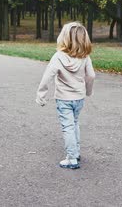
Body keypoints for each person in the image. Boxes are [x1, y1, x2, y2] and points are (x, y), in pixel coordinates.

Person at [36, 22, 95, 169]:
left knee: (67, 127)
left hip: (64, 99)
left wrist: (41, 94)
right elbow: (91, 76)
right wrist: (88, 91)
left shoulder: (58, 57)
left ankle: (72, 158)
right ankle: (76, 151)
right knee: (74, 123)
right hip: (79, 98)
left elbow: (47, 76)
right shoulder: (85, 57)